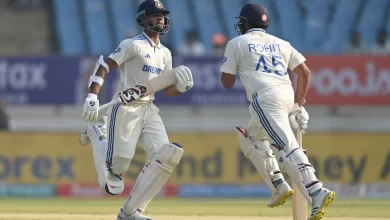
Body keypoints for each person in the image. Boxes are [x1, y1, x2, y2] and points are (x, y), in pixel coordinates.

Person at [80, 1, 194, 220]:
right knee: (116, 170)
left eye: (162, 15)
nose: (160, 19)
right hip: (124, 107)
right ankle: (97, 133)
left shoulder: (165, 53)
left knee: (165, 156)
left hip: (149, 108)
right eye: (155, 15)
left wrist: (181, 88)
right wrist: (92, 95)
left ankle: (132, 211)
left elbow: (166, 89)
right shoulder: (132, 45)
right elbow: (104, 66)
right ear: (143, 18)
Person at [220, 3, 335, 220]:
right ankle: (279, 184)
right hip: (286, 94)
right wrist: (298, 104)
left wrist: (232, 67)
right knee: (250, 136)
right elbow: (305, 73)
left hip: (264, 98)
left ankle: (316, 189)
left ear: (245, 23)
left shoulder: (237, 42)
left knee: (287, 146)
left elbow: (226, 82)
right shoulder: (281, 43)